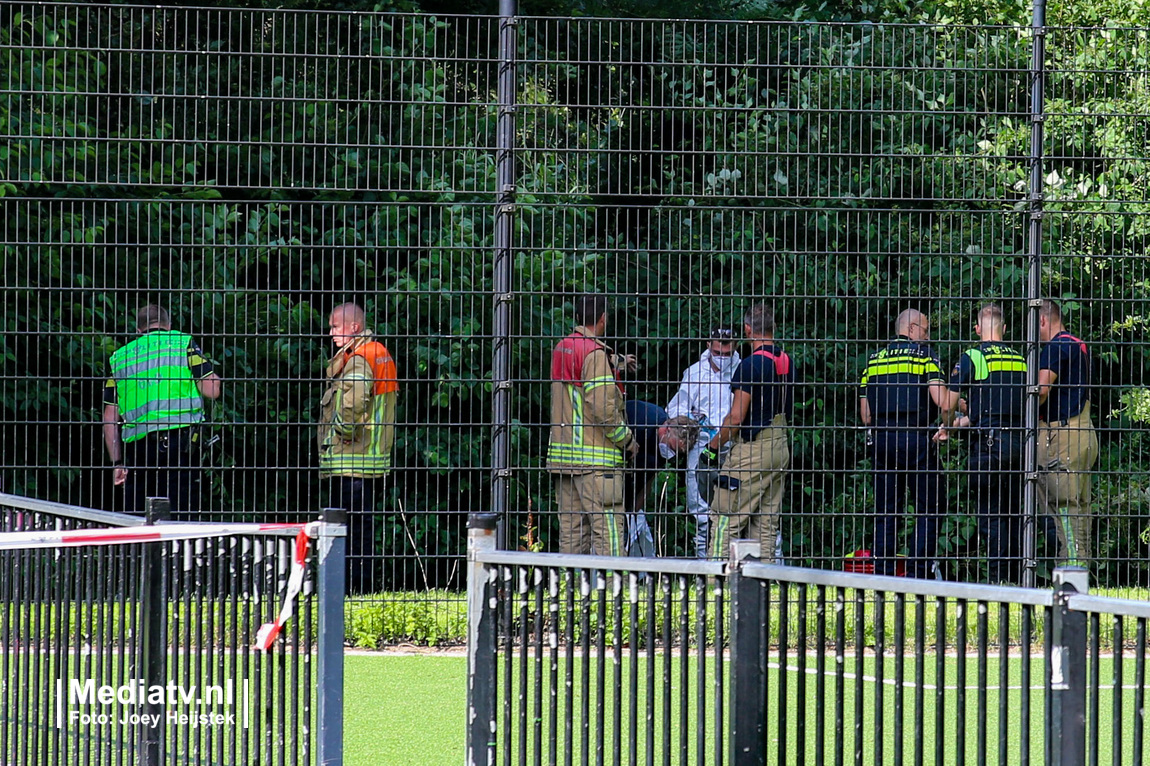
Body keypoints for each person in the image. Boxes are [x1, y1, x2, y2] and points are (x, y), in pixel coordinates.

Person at [859, 308, 956, 578]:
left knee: (887, 511)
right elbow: (942, 400)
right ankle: (918, 573)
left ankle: (883, 573)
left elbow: (866, 414)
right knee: (929, 506)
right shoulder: (926, 356)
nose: (928, 335)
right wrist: (946, 424)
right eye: (925, 330)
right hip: (917, 438)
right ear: (912, 329)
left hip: (882, 441)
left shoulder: (874, 360)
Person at [102, 304, 222, 517]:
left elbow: (110, 417)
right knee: (180, 512)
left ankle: (140, 550)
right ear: (168, 325)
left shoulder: (119, 358)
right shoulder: (182, 343)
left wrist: (117, 463)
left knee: (139, 515)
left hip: (138, 451)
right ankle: (179, 550)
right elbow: (211, 390)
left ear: (138, 330)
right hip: (181, 444)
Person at [938, 304, 1027, 583]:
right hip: (1019, 444)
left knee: (991, 515)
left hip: (988, 446)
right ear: (1004, 328)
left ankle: (998, 581)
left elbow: (948, 405)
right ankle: (1017, 578)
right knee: (1015, 514)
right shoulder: (1021, 359)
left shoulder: (972, 355)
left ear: (977, 329)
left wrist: (947, 425)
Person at [703, 303, 796, 560]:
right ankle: (763, 587)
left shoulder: (749, 365)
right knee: (766, 524)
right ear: (773, 328)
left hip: (752, 451)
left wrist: (712, 446)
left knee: (726, 519)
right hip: (779, 447)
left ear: (747, 330)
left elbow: (735, 417)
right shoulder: (786, 361)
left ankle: (714, 585)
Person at [547, 294, 638, 556]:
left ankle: (567, 592)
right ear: (602, 319)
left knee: (572, 535)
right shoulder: (595, 355)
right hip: (597, 463)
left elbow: (580, 371)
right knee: (607, 532)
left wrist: (616, 360)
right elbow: (604, 410)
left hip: (564, 460)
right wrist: (628, 442)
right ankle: (612, 592)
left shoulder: (562, 347)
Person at [319, 302, 399, 595]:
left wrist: (342, 431)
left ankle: (352, 589)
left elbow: (353, 404)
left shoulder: (360, 358)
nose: (331, 333)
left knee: (348, 529)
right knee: (361, 527)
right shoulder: (376, 353)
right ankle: (359, 588)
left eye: (335, 327)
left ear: (354, 328)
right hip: (369, 456)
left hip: (352, 456)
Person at [666, 328, 741, 557]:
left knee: (735, 510)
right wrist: (691, 421)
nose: (722, 357)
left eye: (727, 353)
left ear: (736, 346)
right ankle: (704, 569)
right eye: (718, 351)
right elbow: (676, 408)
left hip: (735, 446)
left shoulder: (743, 370)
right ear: (708, 344)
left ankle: (731, 568)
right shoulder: (695, 373)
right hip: (701, 446)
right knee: (701, 513)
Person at [1036, 299, 1099, 567]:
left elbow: (1040, 391)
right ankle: (1079, 565)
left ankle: (1072, 570)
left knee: (1063, 504)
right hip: (1084, 430)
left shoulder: (1055, 347)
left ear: (1042, 320)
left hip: (1062, 434)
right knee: (1080, 505)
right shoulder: (1078, 345)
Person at [623, 399, 699, 556]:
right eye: (672, 448)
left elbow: (648, 480)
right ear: (666, 429)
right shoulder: (641, 423)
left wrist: (633, 514)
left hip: (632, 484)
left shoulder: (662, 446)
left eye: (678, 452)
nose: (672, 454)